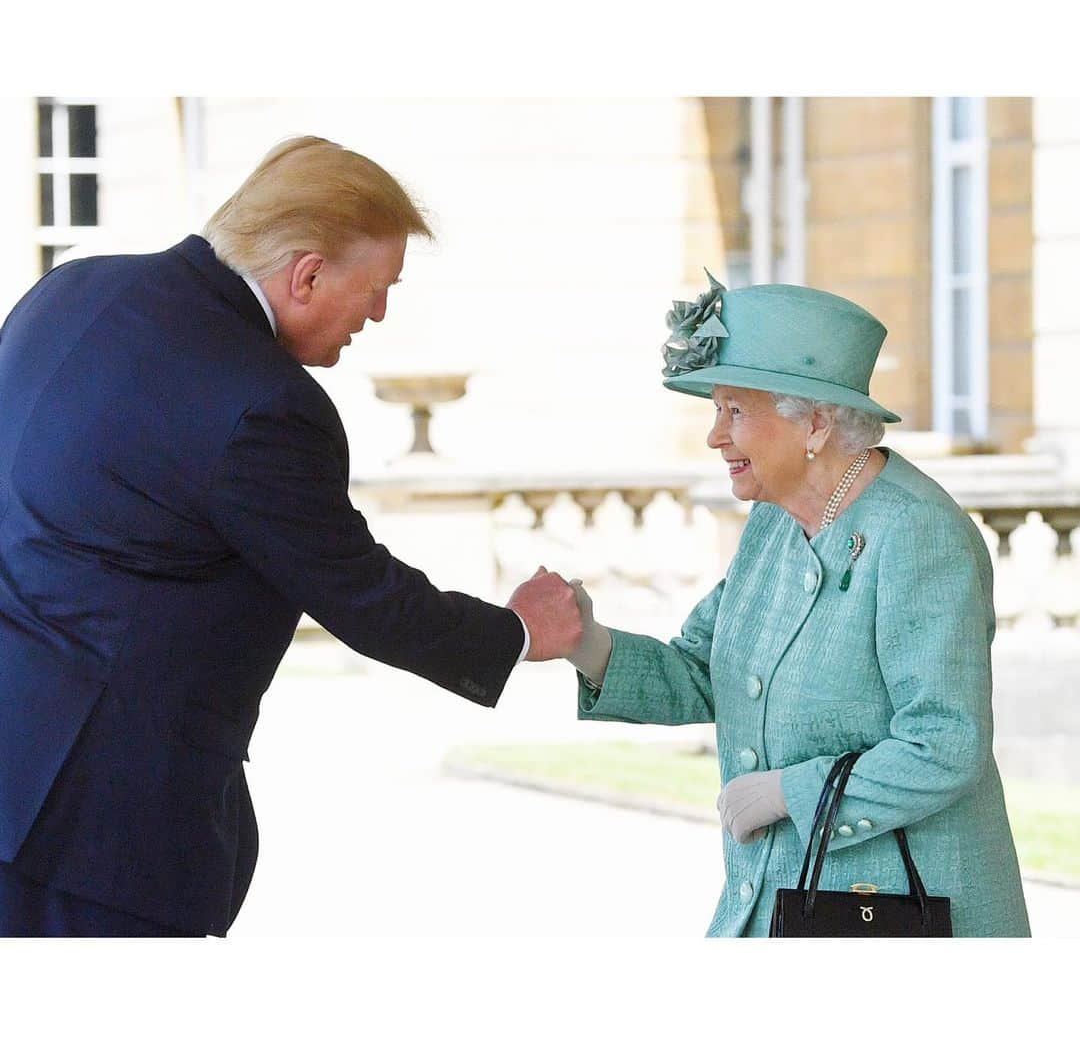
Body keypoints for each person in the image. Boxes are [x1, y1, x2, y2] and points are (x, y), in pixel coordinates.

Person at [0, 136, 582, 937]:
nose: (378, 315)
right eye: (379, 290)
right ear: (306, 274)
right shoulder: (266, 404)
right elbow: (363, 596)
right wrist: (519, 632)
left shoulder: (68, 290)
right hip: (97, 828)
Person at [562, 272, 1031, 937]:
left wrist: (789, 793)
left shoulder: (918, 535)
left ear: (813, 421)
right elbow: (704, 670)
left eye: (734, 411)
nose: (714, 437)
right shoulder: (777, 524)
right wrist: (588, 642)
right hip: (777, 903)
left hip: (893, 918)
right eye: (715, 410)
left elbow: (943, 745)